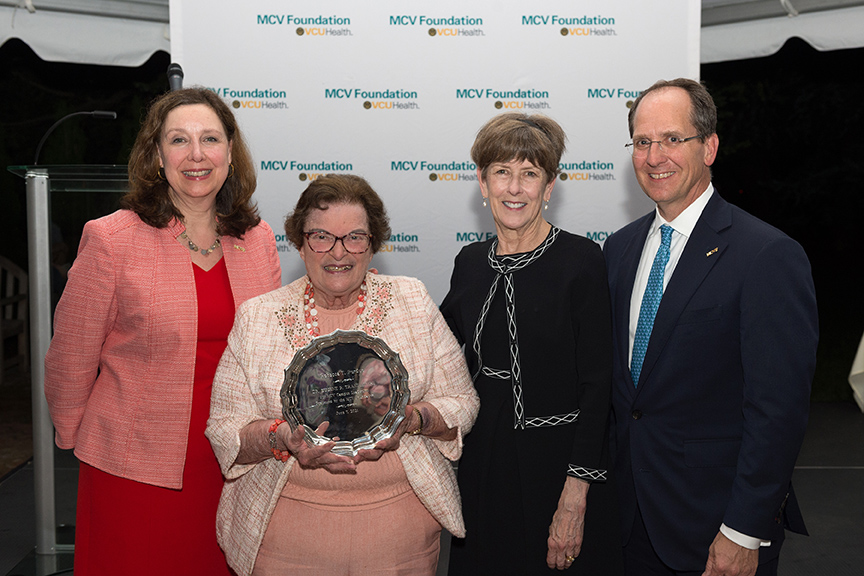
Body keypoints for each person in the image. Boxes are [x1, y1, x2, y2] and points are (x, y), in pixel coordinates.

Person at [43, 87, 282, 575]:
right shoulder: (112, 237)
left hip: (237, 460)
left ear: (230, 154)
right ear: (157, 156)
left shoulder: (256, 239)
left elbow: (274, 350)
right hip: (134, 468)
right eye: (179, 140)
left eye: (210, 139)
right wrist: (77, 440)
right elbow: (70, 356)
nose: (196, 155)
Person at [205, 174, 479, 576]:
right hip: (287, 544)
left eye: (355, 237)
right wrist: (280, 437)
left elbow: (463, 402)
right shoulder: (257, 317)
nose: (339, 252)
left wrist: (414, 418)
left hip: (399, 541)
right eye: (321, 236)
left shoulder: (413, 301)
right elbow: (225, 429)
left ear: (372, 246)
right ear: (300, 242)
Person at [604, 78, 818, 575]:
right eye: (642, 142)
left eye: (672, 139)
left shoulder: (766, 255)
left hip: (716, 530)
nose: (655, 156)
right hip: (628, 523)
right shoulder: (618, 251)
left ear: (710, 147)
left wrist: (745, 530)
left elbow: (777, 411)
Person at [440, 113, 623, 574]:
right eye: (501, 172)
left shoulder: (581, 260)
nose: (514, 188)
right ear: (483, 184)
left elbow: (599, 383)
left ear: (550, 186)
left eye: (530, 174)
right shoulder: (468, 262)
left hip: (559, 465)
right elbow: (434, 345)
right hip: (484, 460)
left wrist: (576, 492)